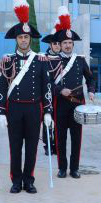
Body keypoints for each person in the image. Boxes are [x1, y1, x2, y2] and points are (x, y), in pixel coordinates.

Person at [0, 0, 53, 194]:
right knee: (15, 146)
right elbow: (2, 87)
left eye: (26, 37)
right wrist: (1, 112)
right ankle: (16, 180)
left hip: (33, 108)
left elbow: (46, 87)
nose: (23, 40)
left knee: (31, 147)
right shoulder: (7, 60)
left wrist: (47, 112)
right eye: (20, 37)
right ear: (16, 39)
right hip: (14, 108)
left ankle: (29, 179)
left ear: (30, 39)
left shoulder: (41, 60)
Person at [51, 6, 95, 179]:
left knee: (76, 138)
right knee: (60, 138)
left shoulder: (80, 60)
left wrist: (91, 91)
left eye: (70, 43)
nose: (68, 45)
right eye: (65, 43)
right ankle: (62, 168)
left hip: (78, 104)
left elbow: (90, 79)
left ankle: (75, 168)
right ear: (60, 45)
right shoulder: (53, 61)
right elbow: (47, 83)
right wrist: (60, 90)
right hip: (60, 105)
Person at [41, 18, 61, 156]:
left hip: (61, 96)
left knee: (59, 122)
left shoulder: (65, 58)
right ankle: (47, 145)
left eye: (59, 43)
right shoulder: (43, 58)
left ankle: (57, 145)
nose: (57, 46)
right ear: (50, 44)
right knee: (47, 121)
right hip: (47, 95)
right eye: (55, 43)